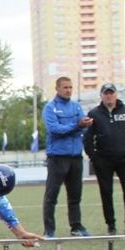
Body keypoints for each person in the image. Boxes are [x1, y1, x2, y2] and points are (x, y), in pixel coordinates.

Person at [83, 83, 125, 235]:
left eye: (111, 93)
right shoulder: (94, 113)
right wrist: (93, 156)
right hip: (103, 160)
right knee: (106, 192)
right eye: (106, 93)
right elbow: (87, 137)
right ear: (101, 96)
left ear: (116, 94)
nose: (109, 96)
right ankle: (111, 225)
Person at [42, 76, 93, 238]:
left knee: (75, 195)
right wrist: (77, 126)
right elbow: (55, 129)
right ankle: (49, 229)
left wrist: (80, 126)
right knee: (52, 195)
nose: (68, 90)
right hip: (57, 157)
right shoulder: (50, 108)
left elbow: (83, 129)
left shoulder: (77, 107)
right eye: (65, 87)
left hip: (76, 156)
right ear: (57, 89)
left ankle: (76, 226)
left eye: (70, 87)